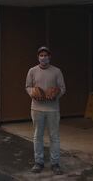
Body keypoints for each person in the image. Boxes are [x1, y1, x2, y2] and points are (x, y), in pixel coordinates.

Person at [25, 46, 66, 175]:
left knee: (54, 136)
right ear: (38, 57)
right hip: (37, 108)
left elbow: (63, 88)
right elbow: (27, 86)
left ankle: (55, 163)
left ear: (50, 57)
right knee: (38, 136)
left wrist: (56, 94)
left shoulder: (57, 71)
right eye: (41, 55)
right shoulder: (32, 71)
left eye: (46, 55)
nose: (44, 58)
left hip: (53, 109)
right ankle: (38, 162)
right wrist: (33, 93)